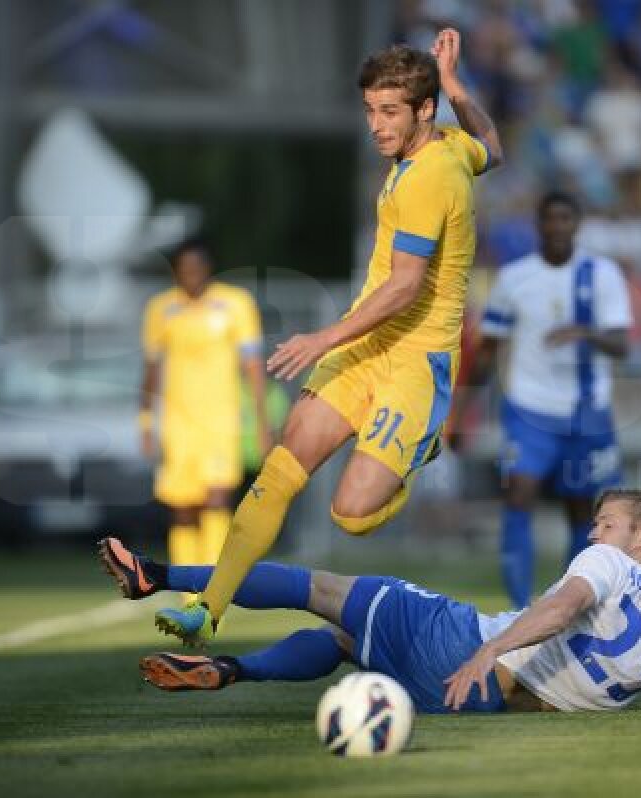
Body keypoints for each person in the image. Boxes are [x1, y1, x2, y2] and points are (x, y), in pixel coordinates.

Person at [151, 28, 503, 645]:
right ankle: (206, 609)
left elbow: (404, 288)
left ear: (421, 112)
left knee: (351, 515)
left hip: (416, 361)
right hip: (369, 349)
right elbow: (493, 146)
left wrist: (321, 339)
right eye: (369, 110)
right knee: (281, 469)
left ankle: (422, 445)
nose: (375, 124)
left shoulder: (430, 177)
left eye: (389, 111)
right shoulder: (446, 145)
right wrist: (453, 87)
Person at [100, 489, 641, 712]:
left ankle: (157, 573)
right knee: (348, 646)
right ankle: (231, 671)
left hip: (464, 648)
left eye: (606, 521)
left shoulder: (609, 563)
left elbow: (559, 608)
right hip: (483, 706)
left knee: (320, 588)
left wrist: (489, 647)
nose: (593, 529)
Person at [454, 190, 631, 608]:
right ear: (539, 225)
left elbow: (622, 344)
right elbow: (487, 350)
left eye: (565, 219)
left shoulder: (601, 274)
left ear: (577, 224)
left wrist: (585, 332)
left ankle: (567, 607)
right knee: (518, 492)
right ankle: (519, 606)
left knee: (581, 509)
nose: (557, 227)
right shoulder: (515, 278)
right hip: (529, 409)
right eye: (550, 219)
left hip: (585, 412)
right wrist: (461, 412)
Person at [141, 239, 273, 594]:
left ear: (208, 269)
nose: (191, 277)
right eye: (184, 271)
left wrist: (261, 423)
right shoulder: (161, 309)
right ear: (176, 273)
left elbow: (253, 367)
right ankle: (186, 590)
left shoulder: (235, 304)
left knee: (217, 498)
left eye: (196, 270)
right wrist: (145, 422)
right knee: (183, 506)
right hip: (178, 423)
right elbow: (151, 369)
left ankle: (213, 586)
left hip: (221, 422)